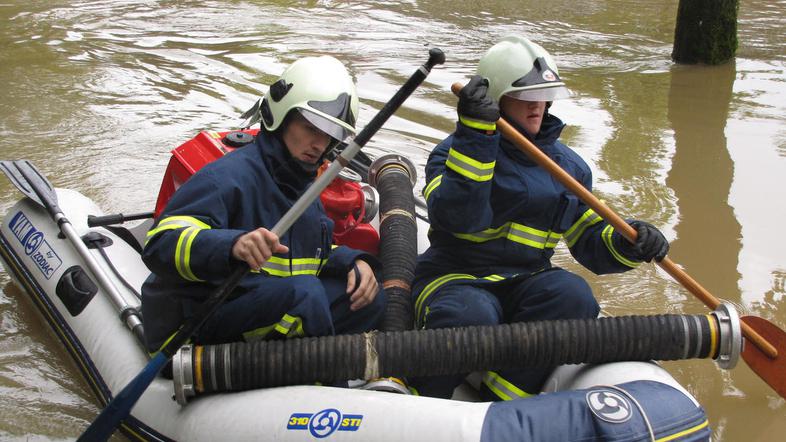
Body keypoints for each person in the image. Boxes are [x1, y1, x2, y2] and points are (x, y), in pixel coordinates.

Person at [411, 35, 669, 400]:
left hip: (527, 279)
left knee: (573, 295)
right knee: (471, 314)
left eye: (544, 95)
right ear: (496, 98)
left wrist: (630, 243)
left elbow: (590, 243)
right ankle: (421, 399)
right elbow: (457, 217)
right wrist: (477, 138)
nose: (537, 106)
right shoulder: (453, 153)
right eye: (525, 95)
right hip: (453, 278)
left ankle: (504, 403)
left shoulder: (569, 168)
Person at [141, 55, 386, 356]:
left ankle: (318, 366)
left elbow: (309, 250)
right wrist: (232, 245)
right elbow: (160, 244)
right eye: (311, 128)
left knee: (369, 299)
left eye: (330, 135)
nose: (320, 145)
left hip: (254, 309)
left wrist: (353, 262)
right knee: (305, 295)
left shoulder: (303, 187)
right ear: (281, 117)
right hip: (193, 327)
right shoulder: (227, 178)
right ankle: (320, 376)